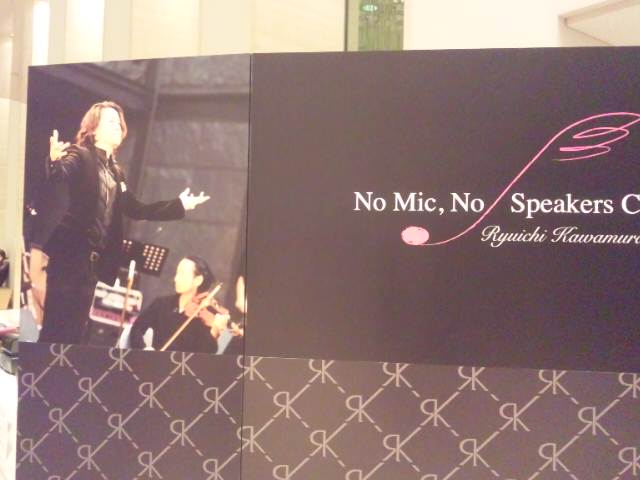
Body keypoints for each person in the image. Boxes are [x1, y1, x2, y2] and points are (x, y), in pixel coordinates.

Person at [38, 101, 209, 344]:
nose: (118, 125)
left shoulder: (117, 172)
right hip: (69, 256)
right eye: (111, 121)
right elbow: (61, 173)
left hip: (92, 264)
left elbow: (136, 209)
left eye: (119, 122)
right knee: (55, 327)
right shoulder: (80, 154)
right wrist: (54, 161)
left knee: (75, 332)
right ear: (94, 129)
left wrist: (179, 204)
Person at [129, 256, 229, 353]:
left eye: (182, 274)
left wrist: (215, 331)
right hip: (157, 362)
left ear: (197, 280)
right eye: (177, 273)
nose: (176, 279)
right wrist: (144, 349)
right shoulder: (161, 304)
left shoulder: (203, 314)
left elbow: (205, 354)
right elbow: (136, 330)